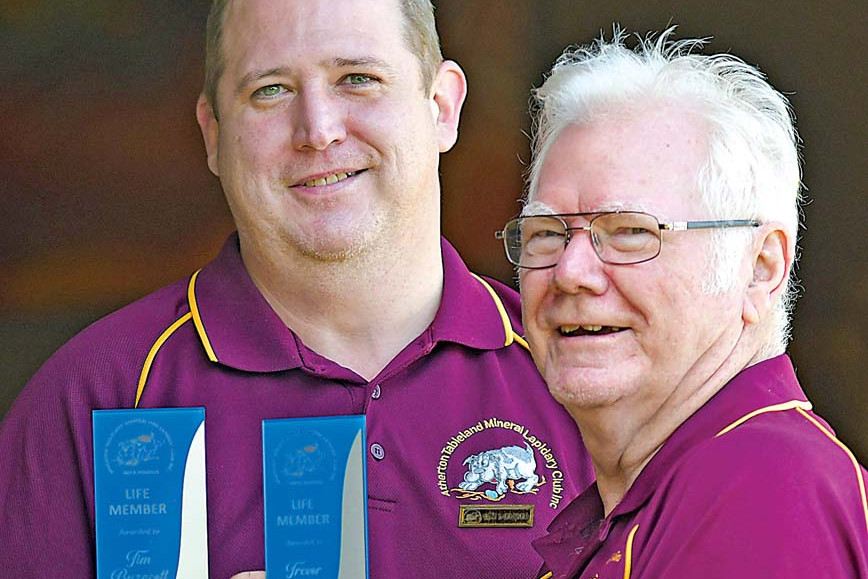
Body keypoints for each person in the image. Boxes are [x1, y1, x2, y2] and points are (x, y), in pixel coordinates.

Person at [0, 0, 595, 577]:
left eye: (357, 78)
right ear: (212, 133)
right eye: (271, 90)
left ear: (440, 105)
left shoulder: (579, 374)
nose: (318, 131)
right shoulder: (91, 398)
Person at [495, 29, 868, 578]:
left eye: (629, 232)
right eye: (547, 233)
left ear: (760, 269)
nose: (570, 272)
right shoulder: (659, 496)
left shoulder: (763, 484)